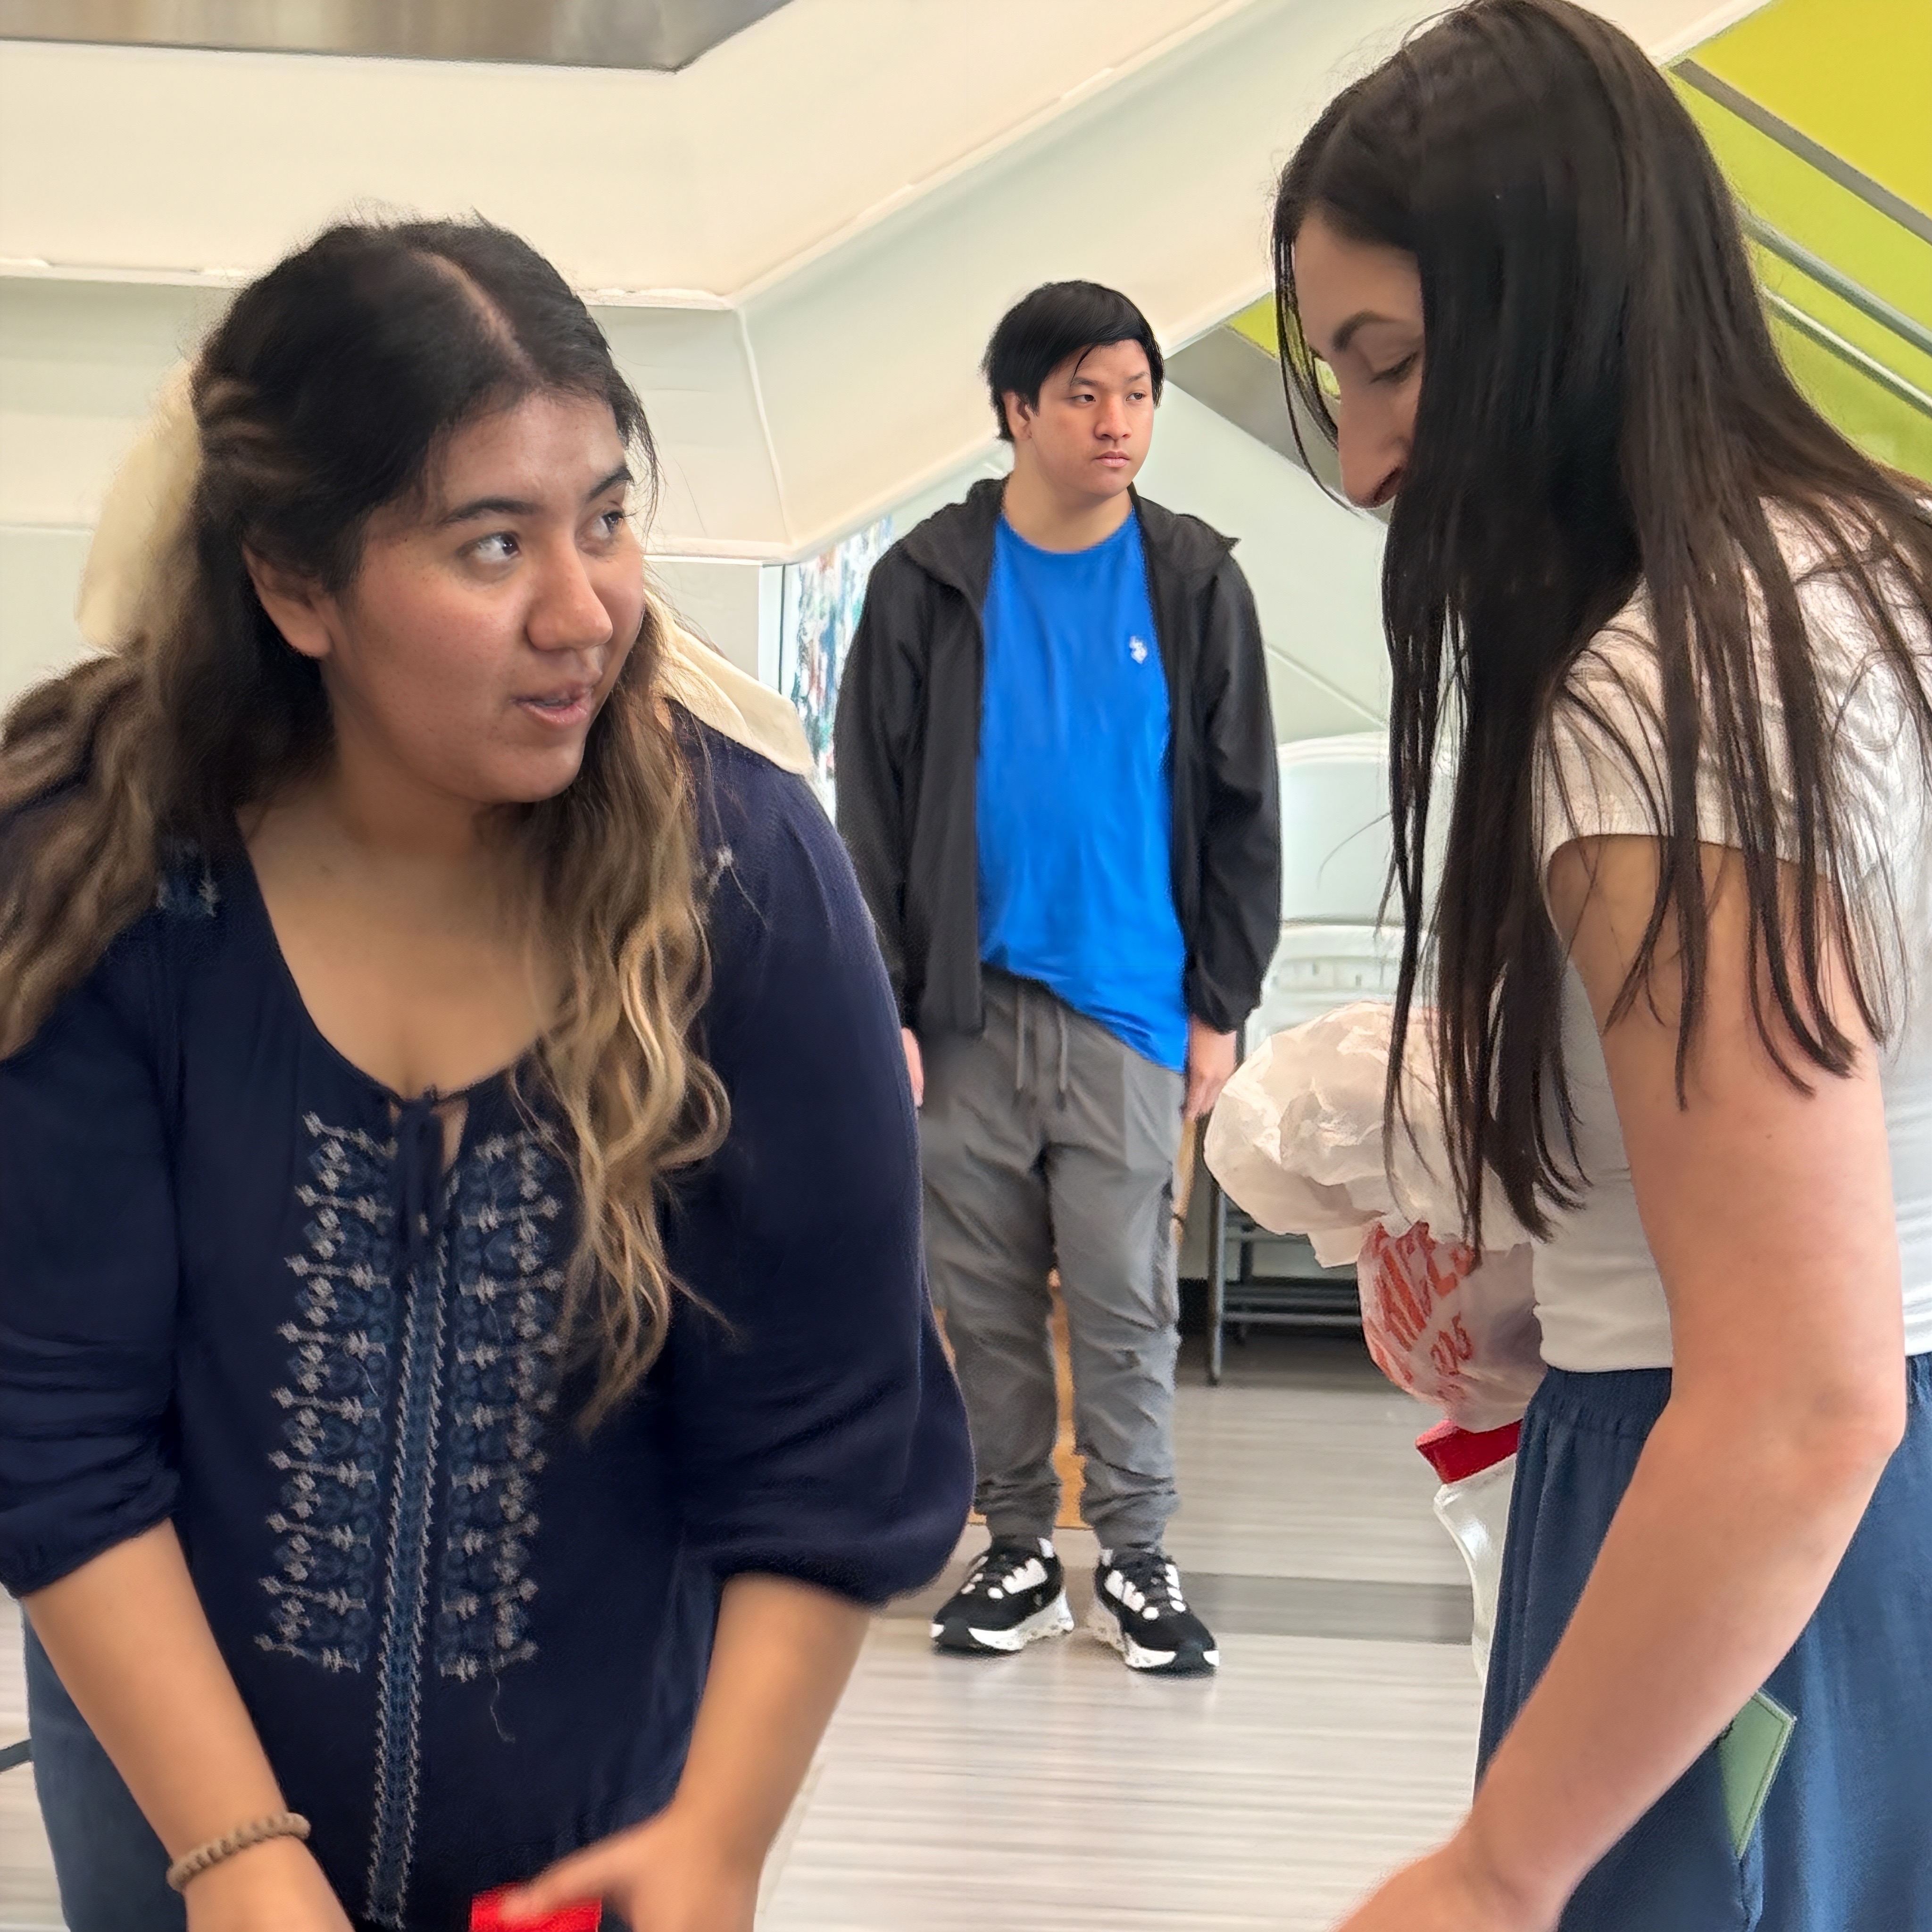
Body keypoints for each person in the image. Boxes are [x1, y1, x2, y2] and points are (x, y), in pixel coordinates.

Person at [0, 217, 972, 1932]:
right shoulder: (107, 872)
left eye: (605, 518)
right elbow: (55, 1425)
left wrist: (718, 1843)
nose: (582, 609)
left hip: (609, 1822)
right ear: (295, 588)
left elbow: (829, 1428)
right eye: (491, 544)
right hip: (174, 1804)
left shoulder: (740, 880)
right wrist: (235, 1864)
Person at [1270, 2, 1932, 1926]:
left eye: (1390, 367)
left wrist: (1494, 1866)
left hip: (1750, 1541)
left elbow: (1800, 1392)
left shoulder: (1668, 685)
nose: (1369, 459)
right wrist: (1568, 1255)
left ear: (1556, 303)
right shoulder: (1867, 573)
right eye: (1335, 381)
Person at [834, 281, 1281, 1676]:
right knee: (981, 1303)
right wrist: (890, 1007)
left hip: (1134, 1007)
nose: (1117, 421)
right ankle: (1019, 1549)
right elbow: (871, 803)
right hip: (965, 1010)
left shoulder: (1194, 578)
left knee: (1125, 1296)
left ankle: (1138, 1560)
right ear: (1017, 411)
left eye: (1137, 392)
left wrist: (1223, 1001)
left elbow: (1237, 803)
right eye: (1084, 394)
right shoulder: (928, 581)